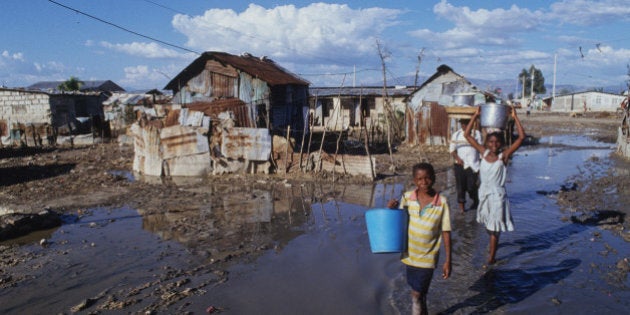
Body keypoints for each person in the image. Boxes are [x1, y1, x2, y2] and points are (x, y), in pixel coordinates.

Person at [387, 163, 451, 315]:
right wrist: (391, 209)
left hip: (428, 257)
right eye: (420, 179)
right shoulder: (408, 198)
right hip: (410, 255)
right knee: (420, 294)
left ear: (434, 178)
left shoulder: (441, 202)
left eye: (428, 178)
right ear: (414, 181)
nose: (424, 182)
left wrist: (448, 260)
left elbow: (446, 231)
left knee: (415, 295)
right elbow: (399, 220)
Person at [464, 106, 525, 265]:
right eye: (491, 141)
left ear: (501, 143)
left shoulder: (503, 156)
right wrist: (475, 116)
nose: (494, 144)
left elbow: (521, 138)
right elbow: (467, 135)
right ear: (487, 142)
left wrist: (515, 117)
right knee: (488, 225)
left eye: (497, 142)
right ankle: (494, 244)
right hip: (483, 193)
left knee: (494, 228)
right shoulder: (483, 153)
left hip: (498, 195)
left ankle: (491, 258)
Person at [449, 119, 482, 213]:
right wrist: (458, 158)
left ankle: (475, 200)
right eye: (463, 123)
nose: (464, 125)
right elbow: (452, 150)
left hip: (473, 165)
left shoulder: (477, 134)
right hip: (460, 165)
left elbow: (480, 149)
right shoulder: (456, 134)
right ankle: (462, 209)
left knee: (471, 186)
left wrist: (481, 163)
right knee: (460, 187)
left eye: (466, 123)